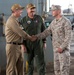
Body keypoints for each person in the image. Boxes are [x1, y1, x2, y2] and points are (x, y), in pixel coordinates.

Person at [32, 5, 72, 75]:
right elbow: (47, 32)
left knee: (64, 71)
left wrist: (61, 47)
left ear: (59, 11)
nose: (52, 12)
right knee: (57, 71)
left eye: (53, 10)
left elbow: (68, 37)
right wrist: (36, 37)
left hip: (63, 52)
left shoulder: (66, 22)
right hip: (56, 51)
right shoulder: (54, 22)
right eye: (52, 10)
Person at [5, 4, 32, 75]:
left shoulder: (16, 20)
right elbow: (21, 32)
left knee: (20, 68)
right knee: (11, 68)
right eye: (20, 10)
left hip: (18, 46)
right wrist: (30, 38)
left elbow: (21, 33)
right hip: (12, 47)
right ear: (15, 11)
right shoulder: (11, 21)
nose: (22, 11)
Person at [21, 3, 46, 75]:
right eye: (31, 11)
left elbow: (43, 30)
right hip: (28, 45)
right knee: (29, 63)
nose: (33, 12)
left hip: (38, 44)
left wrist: (44, 42)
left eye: (34, 11)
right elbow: (21, 34)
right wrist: (23, 45)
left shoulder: (39, 18)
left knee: (41, 63)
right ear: (27, 10)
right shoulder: (23, 20)